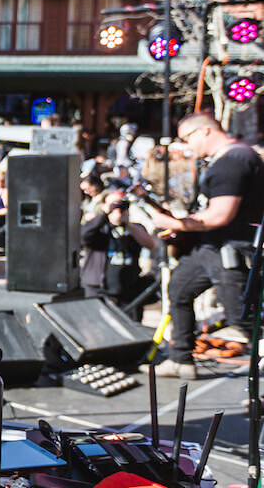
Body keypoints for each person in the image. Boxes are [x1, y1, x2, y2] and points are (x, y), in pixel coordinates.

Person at [145, 113, 264, 379]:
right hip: (210, 248)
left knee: (241, 317)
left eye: (188, 139)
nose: (187, 146)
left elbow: (219, 215)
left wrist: (174, 223)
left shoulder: (232, 162)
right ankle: (181, 359)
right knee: (178, 289)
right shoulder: (235, 158)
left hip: (229, 250)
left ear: (205, 132)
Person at [80, 191, 156, 319]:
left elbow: (150, 244)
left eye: (122, 205)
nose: (118, 209)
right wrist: (105, 214)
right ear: (104, 205)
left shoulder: (135, 228)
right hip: (99, 290)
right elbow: (83, 236)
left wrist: (129, 225)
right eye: (114, 205)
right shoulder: (99, 227)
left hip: (127, 292)